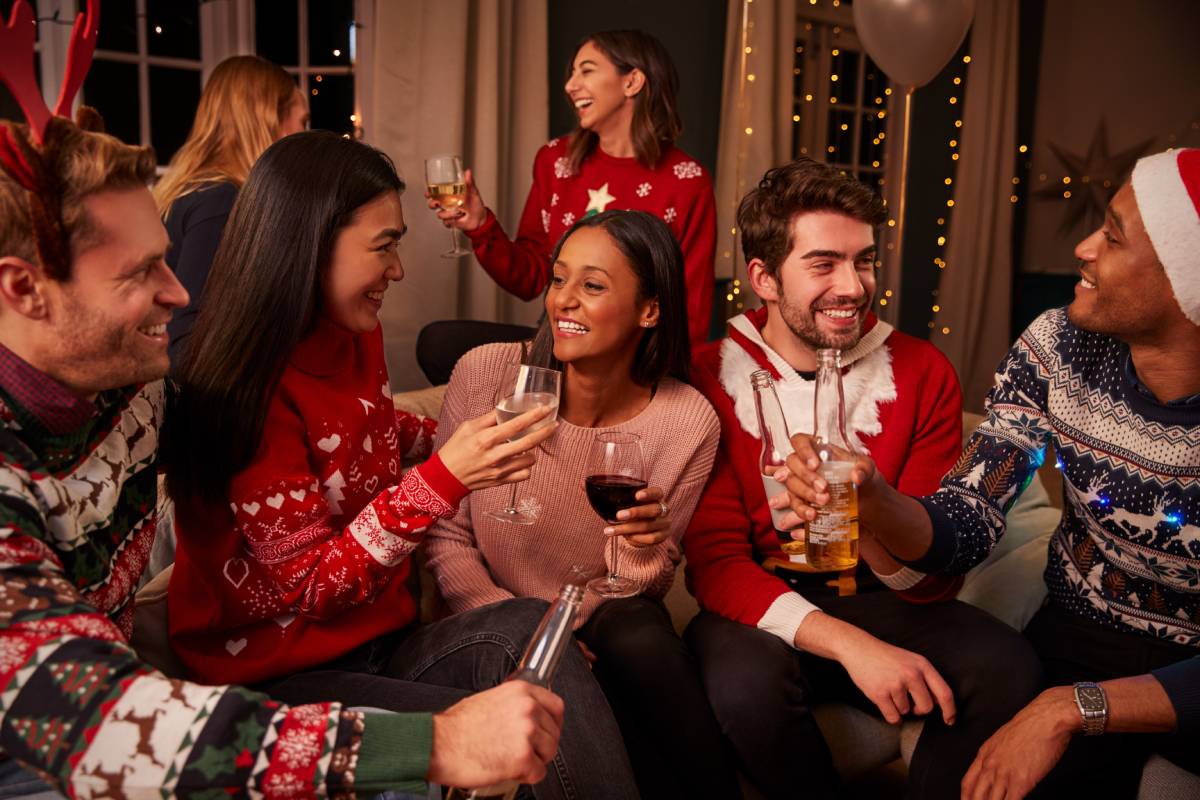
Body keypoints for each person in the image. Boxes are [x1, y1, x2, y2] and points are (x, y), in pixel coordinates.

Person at [0, 6, 564, 793]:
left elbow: (325, 438)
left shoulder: (131, 398)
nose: (178, 292)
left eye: (167, 260)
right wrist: (429, 745)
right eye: (139, 275)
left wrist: (443, 437)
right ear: (24, 290)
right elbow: (98, 723)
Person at [163, 130, 637, 800]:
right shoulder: (246, 390)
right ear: (309, 242)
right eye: (384, 244)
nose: (399, 269)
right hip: (275, 683)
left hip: (387, 642)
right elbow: (314, 589)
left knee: (534, 629)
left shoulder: (355, 335)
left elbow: (372, 438)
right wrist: (446, 475)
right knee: (514, 702)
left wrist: (467, 435)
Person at [782, 147, 1200, 799]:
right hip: (1078, 634)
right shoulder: (1060, 344)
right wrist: (875, 498)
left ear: (1185, 280)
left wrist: (1069, 709)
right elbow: (969, 522)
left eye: (1113, 237)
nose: (1084, 247)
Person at [681, 158, 1044, 799]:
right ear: (763, 278)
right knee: (743, 683)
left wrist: (870, 507)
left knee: (1008, 666)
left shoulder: (923, 370)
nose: (853, 285)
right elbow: (713, 564)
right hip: (759, 604)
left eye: (864, 260)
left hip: (888, 599)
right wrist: (853, 647)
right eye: (823, 264)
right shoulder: (706, 376)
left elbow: (934, 582)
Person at [425, 209, 738, 798]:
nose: (563, 301)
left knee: (641, 640)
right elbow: (445, 535)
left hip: (596, 622)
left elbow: (644, 580)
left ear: (650, 310)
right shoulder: (488, 374)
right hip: (488, 620)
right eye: (559, 279)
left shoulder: (686, 420)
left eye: (592, 286)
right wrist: (532, 631)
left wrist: (642, 552)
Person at [430, 29, 716, 347]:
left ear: (632, 82)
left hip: (635, 353)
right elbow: (531, 278)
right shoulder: (554, 161)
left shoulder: (688, 181)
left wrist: (663, 386)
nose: (570, 85)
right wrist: (480, 225)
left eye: (587, 70)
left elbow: (692, 309)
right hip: (559, 339)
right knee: (439, 342)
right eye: (572, 73)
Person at [153, 54, 307, 362]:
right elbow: (186, 341)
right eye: (302, 121)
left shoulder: (198, 188)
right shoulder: (221, 200)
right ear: (265, 121)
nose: (304, 134)